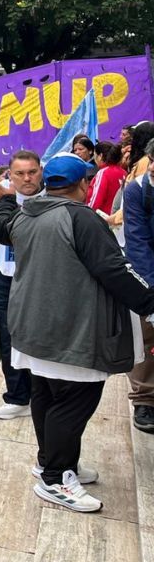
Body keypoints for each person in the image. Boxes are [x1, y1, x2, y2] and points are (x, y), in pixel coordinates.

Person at [0, 153, 154, 513]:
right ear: (84, 184)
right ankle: (55, 478)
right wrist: (149, 302)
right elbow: (116, 270)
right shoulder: (81, 218)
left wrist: (4, 199)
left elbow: (1, 225)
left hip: (33, 327)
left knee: (47, 397)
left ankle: (51, 461)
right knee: (73, 402)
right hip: (69, 332)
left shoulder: (26, 214)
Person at [0, 151, 44, 420]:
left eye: (32, 172)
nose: (27, 178)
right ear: (10, 175)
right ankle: (17, 396)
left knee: (38, 337)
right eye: (20, 173)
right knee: (8, 337)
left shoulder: (51, 199)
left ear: (40, 171)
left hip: (38, 280)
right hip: (3, 278)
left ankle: (40, 394)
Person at [123, 137, 154, 433]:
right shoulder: (137, 190)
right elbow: (138, 242)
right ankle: (145, 398)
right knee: (147, 340)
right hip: (149, 274)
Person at [86, 141, 125, 214]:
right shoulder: (124, 173)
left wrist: (87, 214)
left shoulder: (103, 173)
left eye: (94, 155)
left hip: (104, 219)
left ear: (100, 156)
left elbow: (95, 201)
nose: (94, 159)